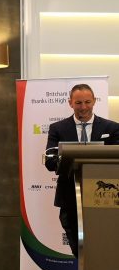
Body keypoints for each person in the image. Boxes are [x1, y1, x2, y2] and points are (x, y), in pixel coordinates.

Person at [44, 83, 119, 257]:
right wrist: (67, 159)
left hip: (104, 198)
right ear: (70, 103)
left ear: (94, 101)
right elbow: (50, 161)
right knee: (79, 250)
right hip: (70, 197)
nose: (83, 107)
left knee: (103, 247)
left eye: (87, 102)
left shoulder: (112, 128)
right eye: (78, 103)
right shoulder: (57, 129)